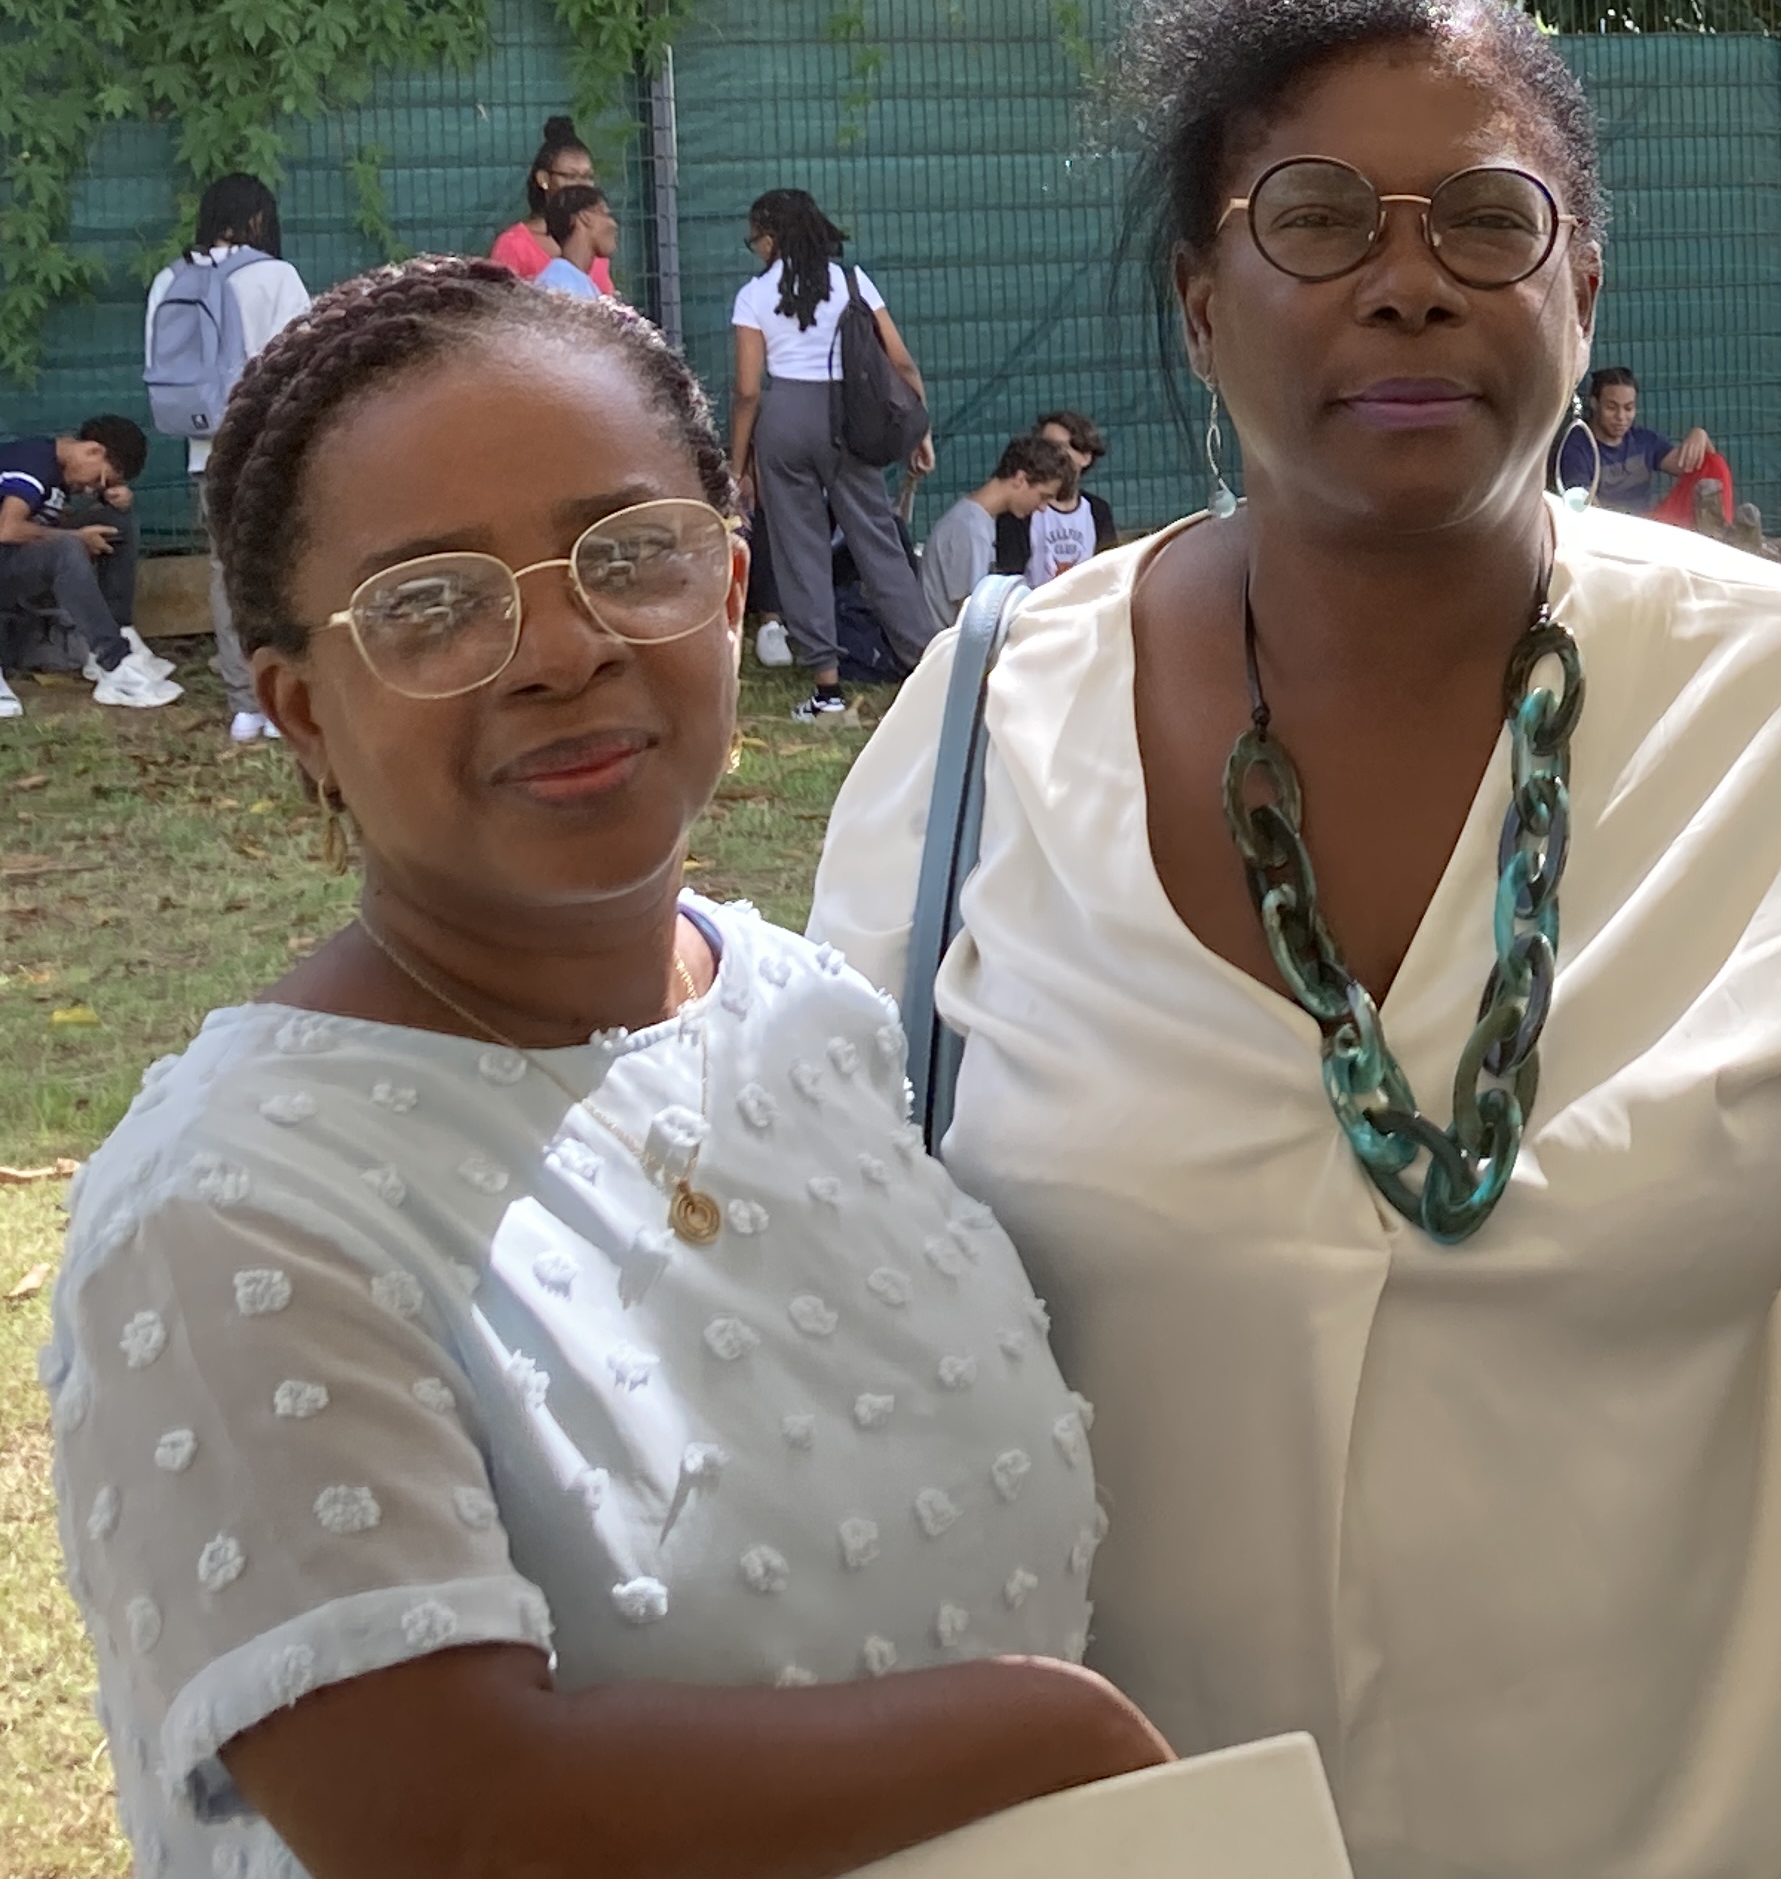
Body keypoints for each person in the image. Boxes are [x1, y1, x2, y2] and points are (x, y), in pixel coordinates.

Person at [811, 0, 1781, 1879]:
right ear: (1199, 301)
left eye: (1483, 218)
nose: (1407, 281)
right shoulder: (989, 733)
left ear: (1580, 282)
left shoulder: (1777, 698)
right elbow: (832, 1288)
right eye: (1315, 221)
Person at [42, 259, 1168, 1879]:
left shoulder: (806, 1017)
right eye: (432, 603)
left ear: (726, 584)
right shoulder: (233, 1211)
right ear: (302, 713)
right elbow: (442, 1818)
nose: (560, 649)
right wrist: (1050, 1741)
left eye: (629, 556)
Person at [722, 190, 934, 722]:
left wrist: (738, 464)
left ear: (771, 238)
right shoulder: (852, 282)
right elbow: (900, 362)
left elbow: (747, 390)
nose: (755, 247)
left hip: (784, 418)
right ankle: (930, 669)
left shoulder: (753, 295)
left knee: (800, 548)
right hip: (848, 418)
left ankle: (826, 690)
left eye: (755, 238)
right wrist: (918, 427)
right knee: (878, 542)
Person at [143, 173, 315, 740]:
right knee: (285, 565)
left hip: (205, 449)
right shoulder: (275, 276)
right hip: (269, 443)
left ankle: (244, 706)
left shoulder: (171, 277)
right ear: (259, 219)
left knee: (226, 571)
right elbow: (302, 360)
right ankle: (286, 695)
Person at [0, 416, 179, 715]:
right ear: (93, 451)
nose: (89, 489)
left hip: (11, 563)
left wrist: (111, 504)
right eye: (100, 480)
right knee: (66, 547)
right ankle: (114, 663)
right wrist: (75, 537)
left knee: (115, 523)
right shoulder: (34, 463)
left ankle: (121, 631)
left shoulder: (57, 473)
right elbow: (7, 529)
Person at [1552, 364, 1735, 529]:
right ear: (1594, 403)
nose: (1621, 417)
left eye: (1628, 408)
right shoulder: (1578, 446)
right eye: (1612, 408)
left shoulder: (1643, 440)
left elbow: (1697, 466)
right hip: (1607, 531)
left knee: (1714, 463)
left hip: (1650, 526)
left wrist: (1700, 435)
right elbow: (1582, 503)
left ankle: (1719, 532)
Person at [926, 436, 1075, 632]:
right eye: (1043, 496)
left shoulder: (978, 521)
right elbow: (974, 616)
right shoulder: (970, 528)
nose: (1042, 507)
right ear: (1020, 479)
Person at [487, 118, 627, 306]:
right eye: (570, 176)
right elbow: (499, 309)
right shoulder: (513, 244)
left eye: (588, 177)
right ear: (543, 179)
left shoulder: (594, 242)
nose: (581, 185)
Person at [997, 410, 1118, 586]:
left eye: (1059, 447)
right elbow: (1009, 580)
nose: (1052, 456)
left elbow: (1109, 575)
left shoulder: (1098, 511)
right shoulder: (1022, 509)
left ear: (1085, 457)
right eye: (1045, 447)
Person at [526, 182, 620, 299]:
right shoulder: (560, 282)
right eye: (606, 214)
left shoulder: (570, 278)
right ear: (585, 217)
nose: (614, 224)